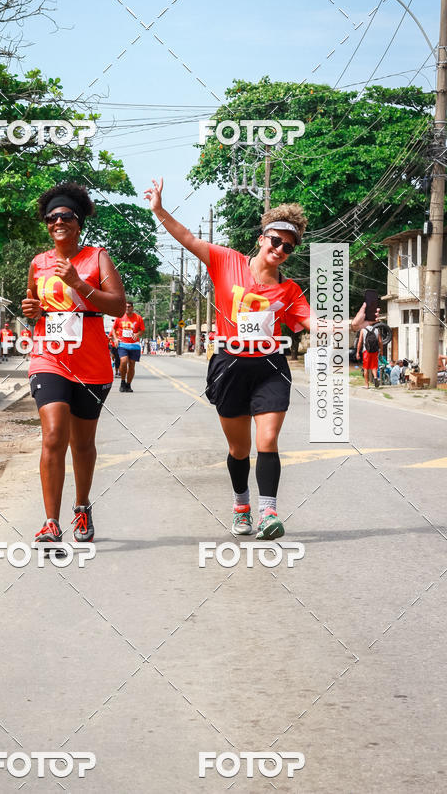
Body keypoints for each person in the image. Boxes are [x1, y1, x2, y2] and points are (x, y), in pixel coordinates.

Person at [145, 177, 374, 540]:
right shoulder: (225, 261)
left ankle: (269, 512)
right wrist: (159, 209)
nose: (281, 249)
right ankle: (242, 506)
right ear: (261, 238)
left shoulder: (289, 289)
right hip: (229, 365)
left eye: (289, 246)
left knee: (267, 441)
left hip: (269, 367)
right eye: (276, 241)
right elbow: (188, 239)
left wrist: (350, 323)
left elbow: (312, 322)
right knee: (239, 448)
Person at [22, 181, 125, 548]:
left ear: (78, 222)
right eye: (52, 218)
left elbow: (117, 307)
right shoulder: (39, 262)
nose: (58, 222)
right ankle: (51, 522)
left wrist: (79, 284)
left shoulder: (96, 258)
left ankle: (81, 506)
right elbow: (37, 310)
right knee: (53, 435)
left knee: (83, 444)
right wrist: (32, 311)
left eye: (65, 216)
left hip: (92, 364)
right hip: (48, 358)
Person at [112, 300, 145, 392]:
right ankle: (122, 381)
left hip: (134, 345)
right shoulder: (119, 317)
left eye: (129, 306)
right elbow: (114, 329)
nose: (127, 308)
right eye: (126, 306)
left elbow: (142, 330)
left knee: (131, 365)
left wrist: (137, 334)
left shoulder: (138, 318)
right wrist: (115, 338)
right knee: (123, 361)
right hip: (122, 344)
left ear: (132, 307)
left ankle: (128, 384)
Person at [356, 321, 382, 389]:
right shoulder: (376, 330)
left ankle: (367, 385)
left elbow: (360, 342)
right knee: (374, 367)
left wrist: (358, 352)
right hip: (374, 351)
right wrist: (381, 350)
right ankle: (375, 377)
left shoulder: (363, 330)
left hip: (366, 351)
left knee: (366, 368)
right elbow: (380, 341)